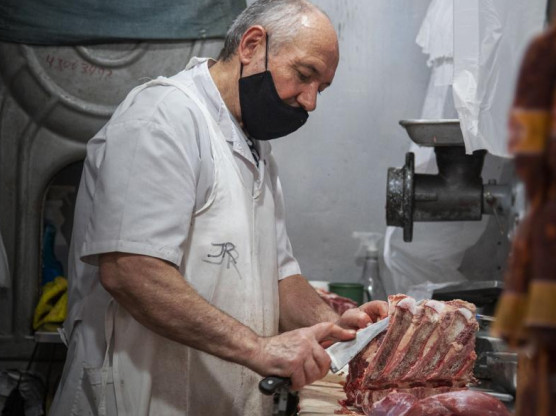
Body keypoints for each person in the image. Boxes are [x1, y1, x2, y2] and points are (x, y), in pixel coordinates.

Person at [49, 1, 388, 415]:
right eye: (304, 76)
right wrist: (258, 348)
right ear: (251, 45)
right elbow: (130, 271)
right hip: (138, 396)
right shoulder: (161, 119)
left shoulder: (255, 148)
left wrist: (338, 328)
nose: (311, 101)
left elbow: (280, 277)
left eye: (322, 88)